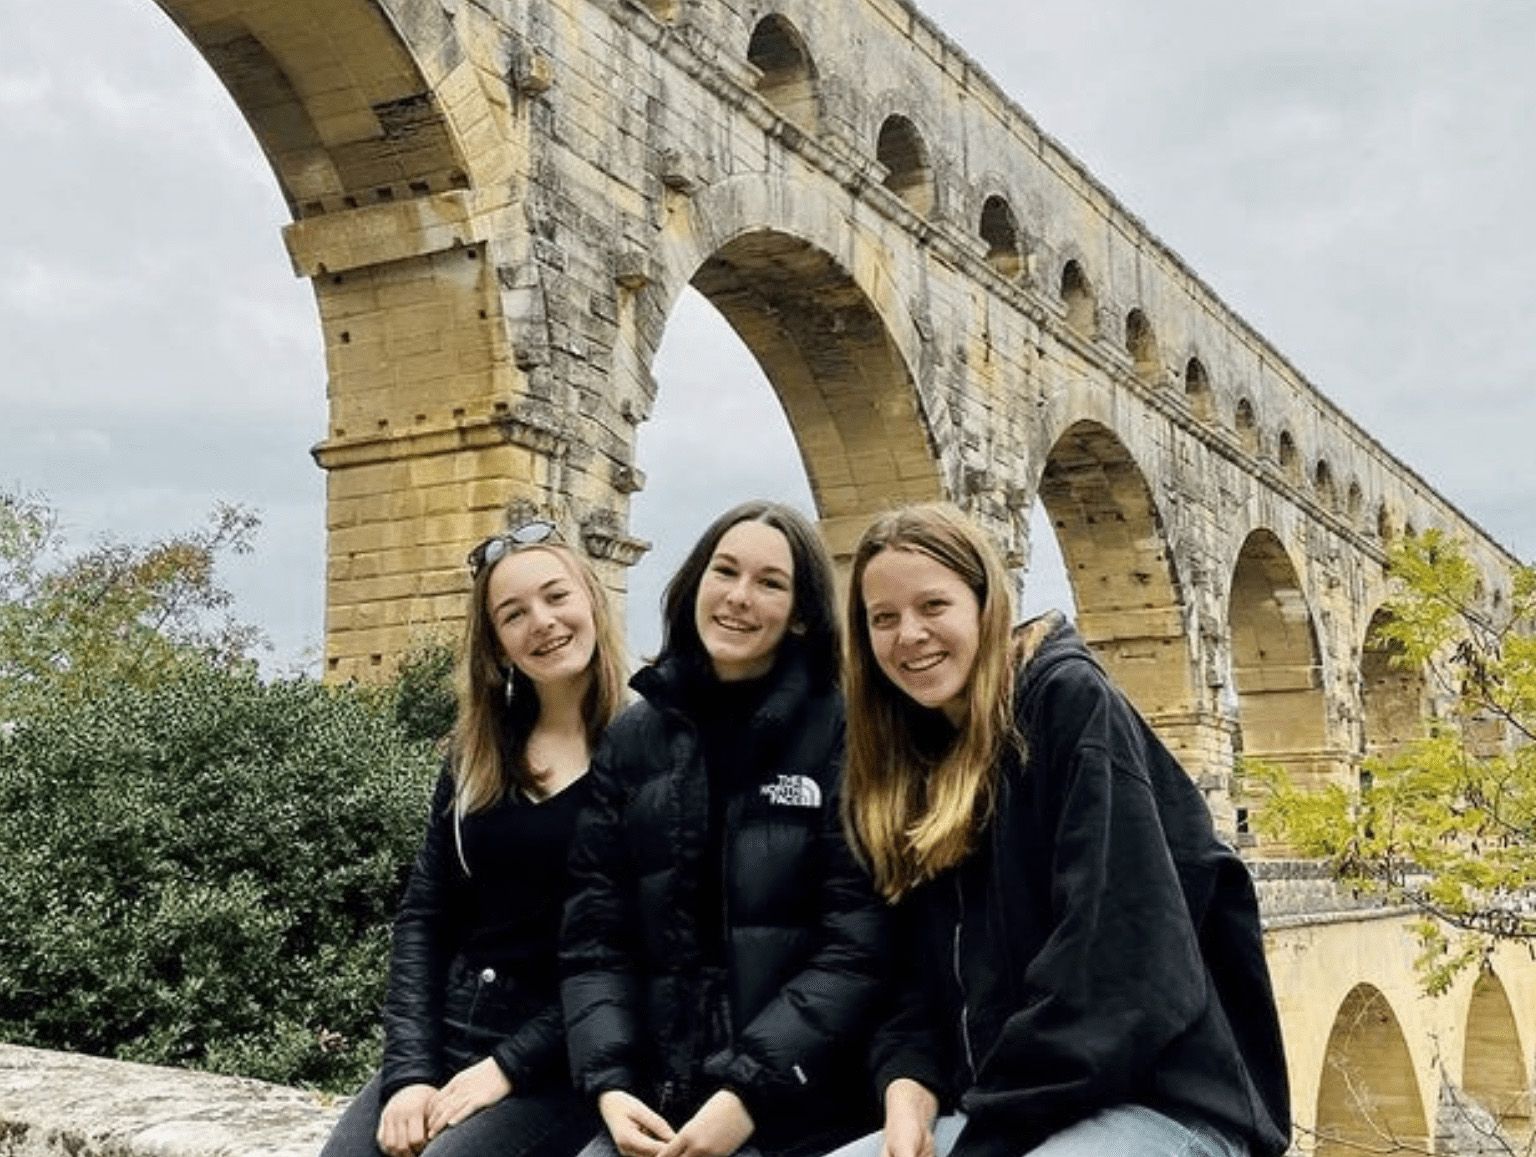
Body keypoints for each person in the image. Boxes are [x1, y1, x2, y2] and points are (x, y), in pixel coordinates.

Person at [836, 503, 1291, 1157]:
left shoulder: (1068, 703)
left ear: (986, 604)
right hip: (1017, 1110)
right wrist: (908, 1077)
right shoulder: (911, 761)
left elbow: (1117, 970)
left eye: (933, 605)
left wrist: (984, 1141)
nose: (910, 634)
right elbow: (913, 976)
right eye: (884, 617)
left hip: (1165, 1105)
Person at [561, 500, 888, 1157]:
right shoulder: (632, 739)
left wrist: (748, 1092)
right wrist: (610, 1083)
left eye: (770, 582)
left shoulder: (847, 734)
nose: (739, 596)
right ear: (695, 583)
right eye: (726, 570)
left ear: (801, 614)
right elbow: (594, 940)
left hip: (796, 1109)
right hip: (656, 1105)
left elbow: (856, 947)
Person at [322, 520, 628, 1157]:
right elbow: (424, 917)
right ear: (495, 643)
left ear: (591, 600)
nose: (541, 622)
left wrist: (507, 1068)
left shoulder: (648, 752)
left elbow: (637, 952)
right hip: (457, 1030)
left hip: (567, 1055)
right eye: (512, 614)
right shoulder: (476, 754)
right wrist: (409, 1075)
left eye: (555, 596)